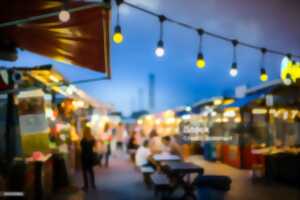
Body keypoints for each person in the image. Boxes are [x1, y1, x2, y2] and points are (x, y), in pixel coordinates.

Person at [80, 125, 96, 190]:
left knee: (84, 171)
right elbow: (94, 145)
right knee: (91, 170)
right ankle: (93, 184)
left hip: (84, 156)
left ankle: (86, 185)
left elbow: (82, 147)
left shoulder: (83, 139)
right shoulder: (92, 138)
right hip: (90, 156)